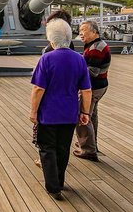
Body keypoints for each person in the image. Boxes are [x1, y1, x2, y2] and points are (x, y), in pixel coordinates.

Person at [30, 19, 91, 200]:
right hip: (69, 113)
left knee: (47, 148)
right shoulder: (79, 59)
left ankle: (53, 186)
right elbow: (86, 90)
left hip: (48, 114)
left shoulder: (46, 59)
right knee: (63, 148)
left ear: (51, 40)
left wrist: (33, 112)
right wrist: (85, 112)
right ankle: (60, 181)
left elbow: (38, 89)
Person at [73, 20, 111, 162]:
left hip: (93, 87)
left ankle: (88, 150)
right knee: (92, 115)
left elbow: (92, 72)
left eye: (84, 30)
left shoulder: (96, 48)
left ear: (94, 32)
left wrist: (73, 73)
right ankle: (91, 143)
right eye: (80, 30)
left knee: (83, 116)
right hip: (100, 86)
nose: (81, 33)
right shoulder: (94, 45)